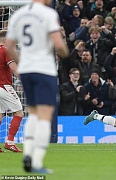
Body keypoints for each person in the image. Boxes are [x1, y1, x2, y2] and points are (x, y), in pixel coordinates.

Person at [6, 0, 69, 174]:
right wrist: (65, 51)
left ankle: (27, 154)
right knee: (45, 114)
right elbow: (58, 45)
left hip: (26, 70)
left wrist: (22, 62)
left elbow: (9, 45)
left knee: (32, 111)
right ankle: (37, 161)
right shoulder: (48, 14)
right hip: (44, 69)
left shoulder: (18, 15)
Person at [0, 30, 23, 153]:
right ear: (5, 40)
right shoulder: (6, 50)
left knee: (0, 114)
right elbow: (14, 68)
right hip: (4, 86)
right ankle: (10, 142)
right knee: (19, 113)